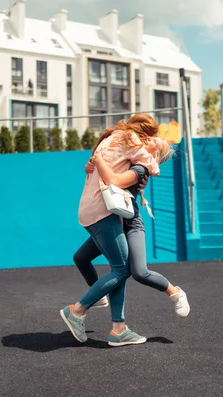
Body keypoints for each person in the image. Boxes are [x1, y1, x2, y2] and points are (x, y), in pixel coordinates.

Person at [60, 114, 161, 347]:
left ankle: (119, 328)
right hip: (104, 211)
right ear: (144, 133)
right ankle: (77, 311)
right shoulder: (131, 138)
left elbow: (90, 167)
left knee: (118, 267)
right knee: (122, 269)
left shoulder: (108, 138)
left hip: (88, 209)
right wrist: (146, 168)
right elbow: (152, 165)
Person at [74, 137, 190, 319]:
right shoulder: (130, 160)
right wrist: (90, 166)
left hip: (130, 224)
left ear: (154, 153)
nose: (147, 138)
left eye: (153, 141)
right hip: (112, 222)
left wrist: (98, 159)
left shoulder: (141, 168)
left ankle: (176, 293)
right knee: (81, 258)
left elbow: (113, 180)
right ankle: (100, 299)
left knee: (139, 272)